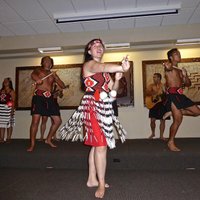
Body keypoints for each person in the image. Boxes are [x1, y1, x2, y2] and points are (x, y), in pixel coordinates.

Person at [59, 38, 130, 199]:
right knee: (101, 146)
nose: (98, 47)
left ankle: (92, 179)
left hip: (104, 106)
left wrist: (117, 79)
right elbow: (103, 66)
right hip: (92, 106)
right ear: (89, 51)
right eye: (94, 46)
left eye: (100, 45)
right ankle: (100, 183)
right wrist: (121, 66)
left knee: (96, 144)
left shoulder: (104, 72)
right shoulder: (89, 65)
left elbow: (114, 89)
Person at [163, 48, 200, 151]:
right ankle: (171, 142)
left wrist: (185, 75)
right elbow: (168, 67)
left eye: (179, 53)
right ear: (171, 57)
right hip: (172, 95)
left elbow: (188, 84)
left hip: (180, 96)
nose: (178, 55)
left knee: (197, 112)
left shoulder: (180, 70)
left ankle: (172, 112)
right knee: (178, 120)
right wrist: (168, 65)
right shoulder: (170, 67)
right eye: (176, 54)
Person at [27, 56, 66, 152]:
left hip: (49, 98)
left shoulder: (53, 74)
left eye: (49, 61)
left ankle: (48, 139)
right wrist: (37, 79)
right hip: (39, 97)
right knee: (35, 121)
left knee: (57, 121)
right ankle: (32, 144)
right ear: (42, 63)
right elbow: (33, 75)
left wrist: (56, 78)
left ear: (51, 63)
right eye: (45, 60)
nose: (48, 62)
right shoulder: (38, 70)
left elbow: (63, 85)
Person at [146, 73, 168, 140]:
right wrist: (155, 93)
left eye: (155, 77)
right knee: (152, 120)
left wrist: (164, 92)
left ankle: (161, 136)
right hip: (153, 104)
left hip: (162, 104)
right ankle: (153, 133)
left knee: (163, 120)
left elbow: (166, 95)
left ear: (159, 78)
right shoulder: (151, 85)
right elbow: (147, 93)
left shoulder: (163, 86)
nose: (154, 78)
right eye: (153, 77)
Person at [0, 77, 15, 143]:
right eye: (4, 81)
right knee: (1, 124)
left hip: (8, 108)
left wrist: (12, 110)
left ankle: (8, 138)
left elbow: (13, 101)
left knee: (9, 124)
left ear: (9, 83)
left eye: (6, 81)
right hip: (1, 109)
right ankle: (2, 138)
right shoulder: (1, 91)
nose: (5, 82)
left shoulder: (11, 91)